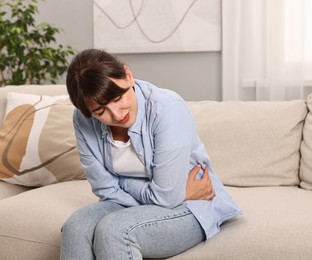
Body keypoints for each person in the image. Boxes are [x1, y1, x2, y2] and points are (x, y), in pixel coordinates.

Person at [60, 49, 241, 260]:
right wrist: (171, 192)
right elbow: (105, 189)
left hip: (190, 204)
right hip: (165, 197)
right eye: (101, 112)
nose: (117, 114)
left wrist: (122, 183)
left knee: (114, 231)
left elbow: (166, 197)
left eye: (118, 97)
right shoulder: (83, 121)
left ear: (128, 75)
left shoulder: (167, 108)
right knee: (76, 226)